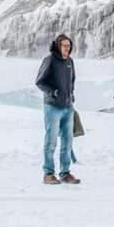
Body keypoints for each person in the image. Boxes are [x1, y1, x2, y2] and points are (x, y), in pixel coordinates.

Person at [36, 33, 80, 185]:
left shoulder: (70, 61)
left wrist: (70, 96)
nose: (68, 49)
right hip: (53, 107)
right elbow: (39, 81)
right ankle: (48, 174)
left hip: (68, 106)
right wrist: (54, 92)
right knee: (51, 141)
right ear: (58, 46)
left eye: (69, 46)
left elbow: (72, 81)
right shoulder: (49, 60)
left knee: (68, 141)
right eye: (65, 46)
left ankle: (65, 173)